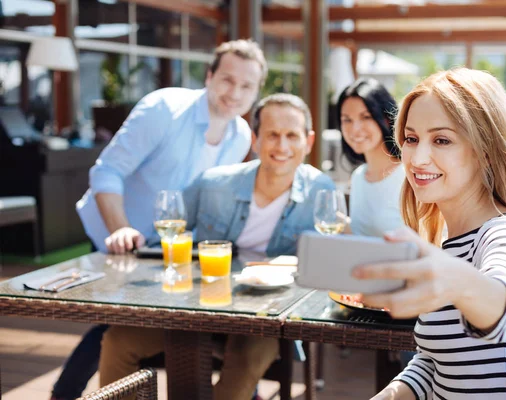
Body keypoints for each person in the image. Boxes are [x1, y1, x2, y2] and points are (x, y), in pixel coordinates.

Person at [51, 39, 267, 400]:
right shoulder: (163, 109)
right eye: (228, 80)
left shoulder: (240, 134)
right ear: (209, 76)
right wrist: (119, 228)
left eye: (247, 86)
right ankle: (64, 394)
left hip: (171, 243)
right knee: (116, 319)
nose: (235, 93)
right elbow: (106, 172)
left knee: (148, 320)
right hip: (117, 230)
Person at [97, 93, 335, 400]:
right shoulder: (213, 183)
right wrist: (129, 237)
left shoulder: (320, 191)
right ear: (255, 138)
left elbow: (324, 264)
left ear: (309, 140)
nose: (282, 146)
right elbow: (165, 234)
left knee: (248, 356)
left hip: (264, 319)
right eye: (272, 135)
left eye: (292, 135)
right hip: (197, 308)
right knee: (118, 341)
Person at [352, 68, 506, 400]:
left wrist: (452, 278)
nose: (417, 158)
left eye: (442, 140)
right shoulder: (447, 242)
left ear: (485, 151)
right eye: (411, 139)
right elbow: (436, 363)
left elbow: (502, 309)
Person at [337, 78, 405, 237]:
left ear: (387, 120)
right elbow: (363, 235)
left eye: (366, 117)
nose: (355, 129)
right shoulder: (358, 177)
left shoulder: (408, 177)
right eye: (347, 120)